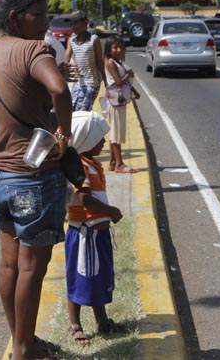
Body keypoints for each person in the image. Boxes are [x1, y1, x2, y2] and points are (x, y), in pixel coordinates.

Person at [0, 0, 72, 360]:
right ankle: (25, 350)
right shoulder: (34, 51)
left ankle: (21, 342)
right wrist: (63, 134)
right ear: (16, 18)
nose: (47, 22)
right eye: (40, 14)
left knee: (10, 265)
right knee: (33, 268)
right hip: (33, 179)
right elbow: (59, 90)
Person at [64, 110, 128, 345]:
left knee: (97, 277)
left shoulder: (91, 163)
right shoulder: (79, 165)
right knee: (80, 277)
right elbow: (85, 199)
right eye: (100, 138)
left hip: (95, 234)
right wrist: (111, 212)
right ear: (87, 139)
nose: (103, 142)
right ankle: (74, 324)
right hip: (85, 234)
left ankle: (102, 321)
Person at [104, 35, 138, 173]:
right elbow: (118, 82)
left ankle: (112, 162)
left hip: (120, 100)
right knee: (116, 132)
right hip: (115, 101)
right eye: (115, 47)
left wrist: (134, 90)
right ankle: (119, 164)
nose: (118, 50)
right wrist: (128, 74)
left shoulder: (118, 62)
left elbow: (126, 83)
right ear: (109, 49)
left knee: (116, 131)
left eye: (120, 47)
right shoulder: (110, 63)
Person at [65, 10, 107, 112]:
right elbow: (66, 59)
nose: (73, 27)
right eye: (71, 24)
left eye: (76, 23)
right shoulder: (71, 41)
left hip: (92, 82)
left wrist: (106, 80)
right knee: (71, 109)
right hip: (79, 82)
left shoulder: (94, 40)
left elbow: (100, 61)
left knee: (82, 110)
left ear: (85, 23)